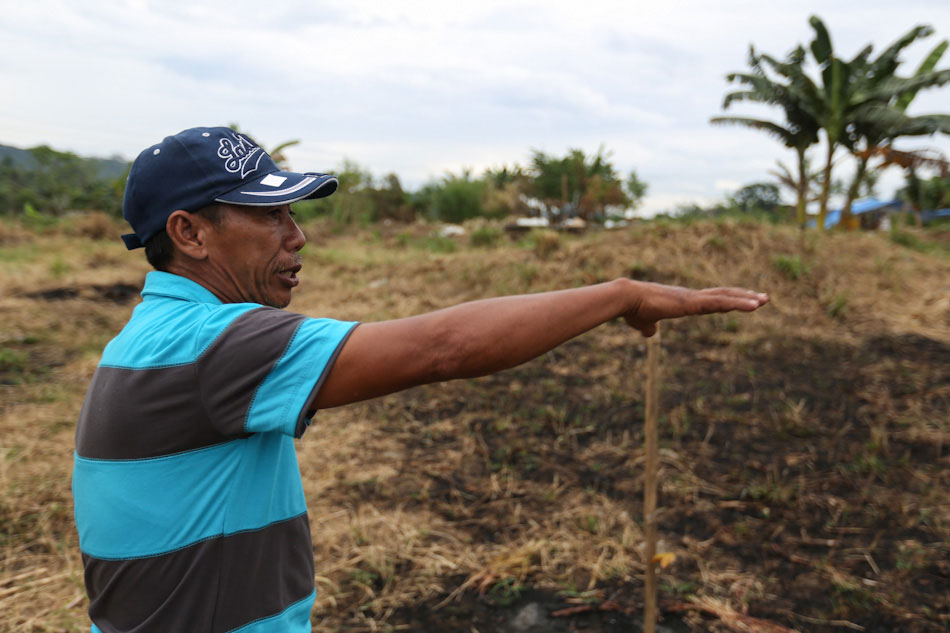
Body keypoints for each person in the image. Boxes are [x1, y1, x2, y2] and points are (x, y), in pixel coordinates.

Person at [72, 126, 768, 633]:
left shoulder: (156, 336)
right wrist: (621, 294)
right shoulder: (210, 344)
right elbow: (443, 349)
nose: (297, 236)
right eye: (268, 215)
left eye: (292, 213)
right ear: (190, 234)